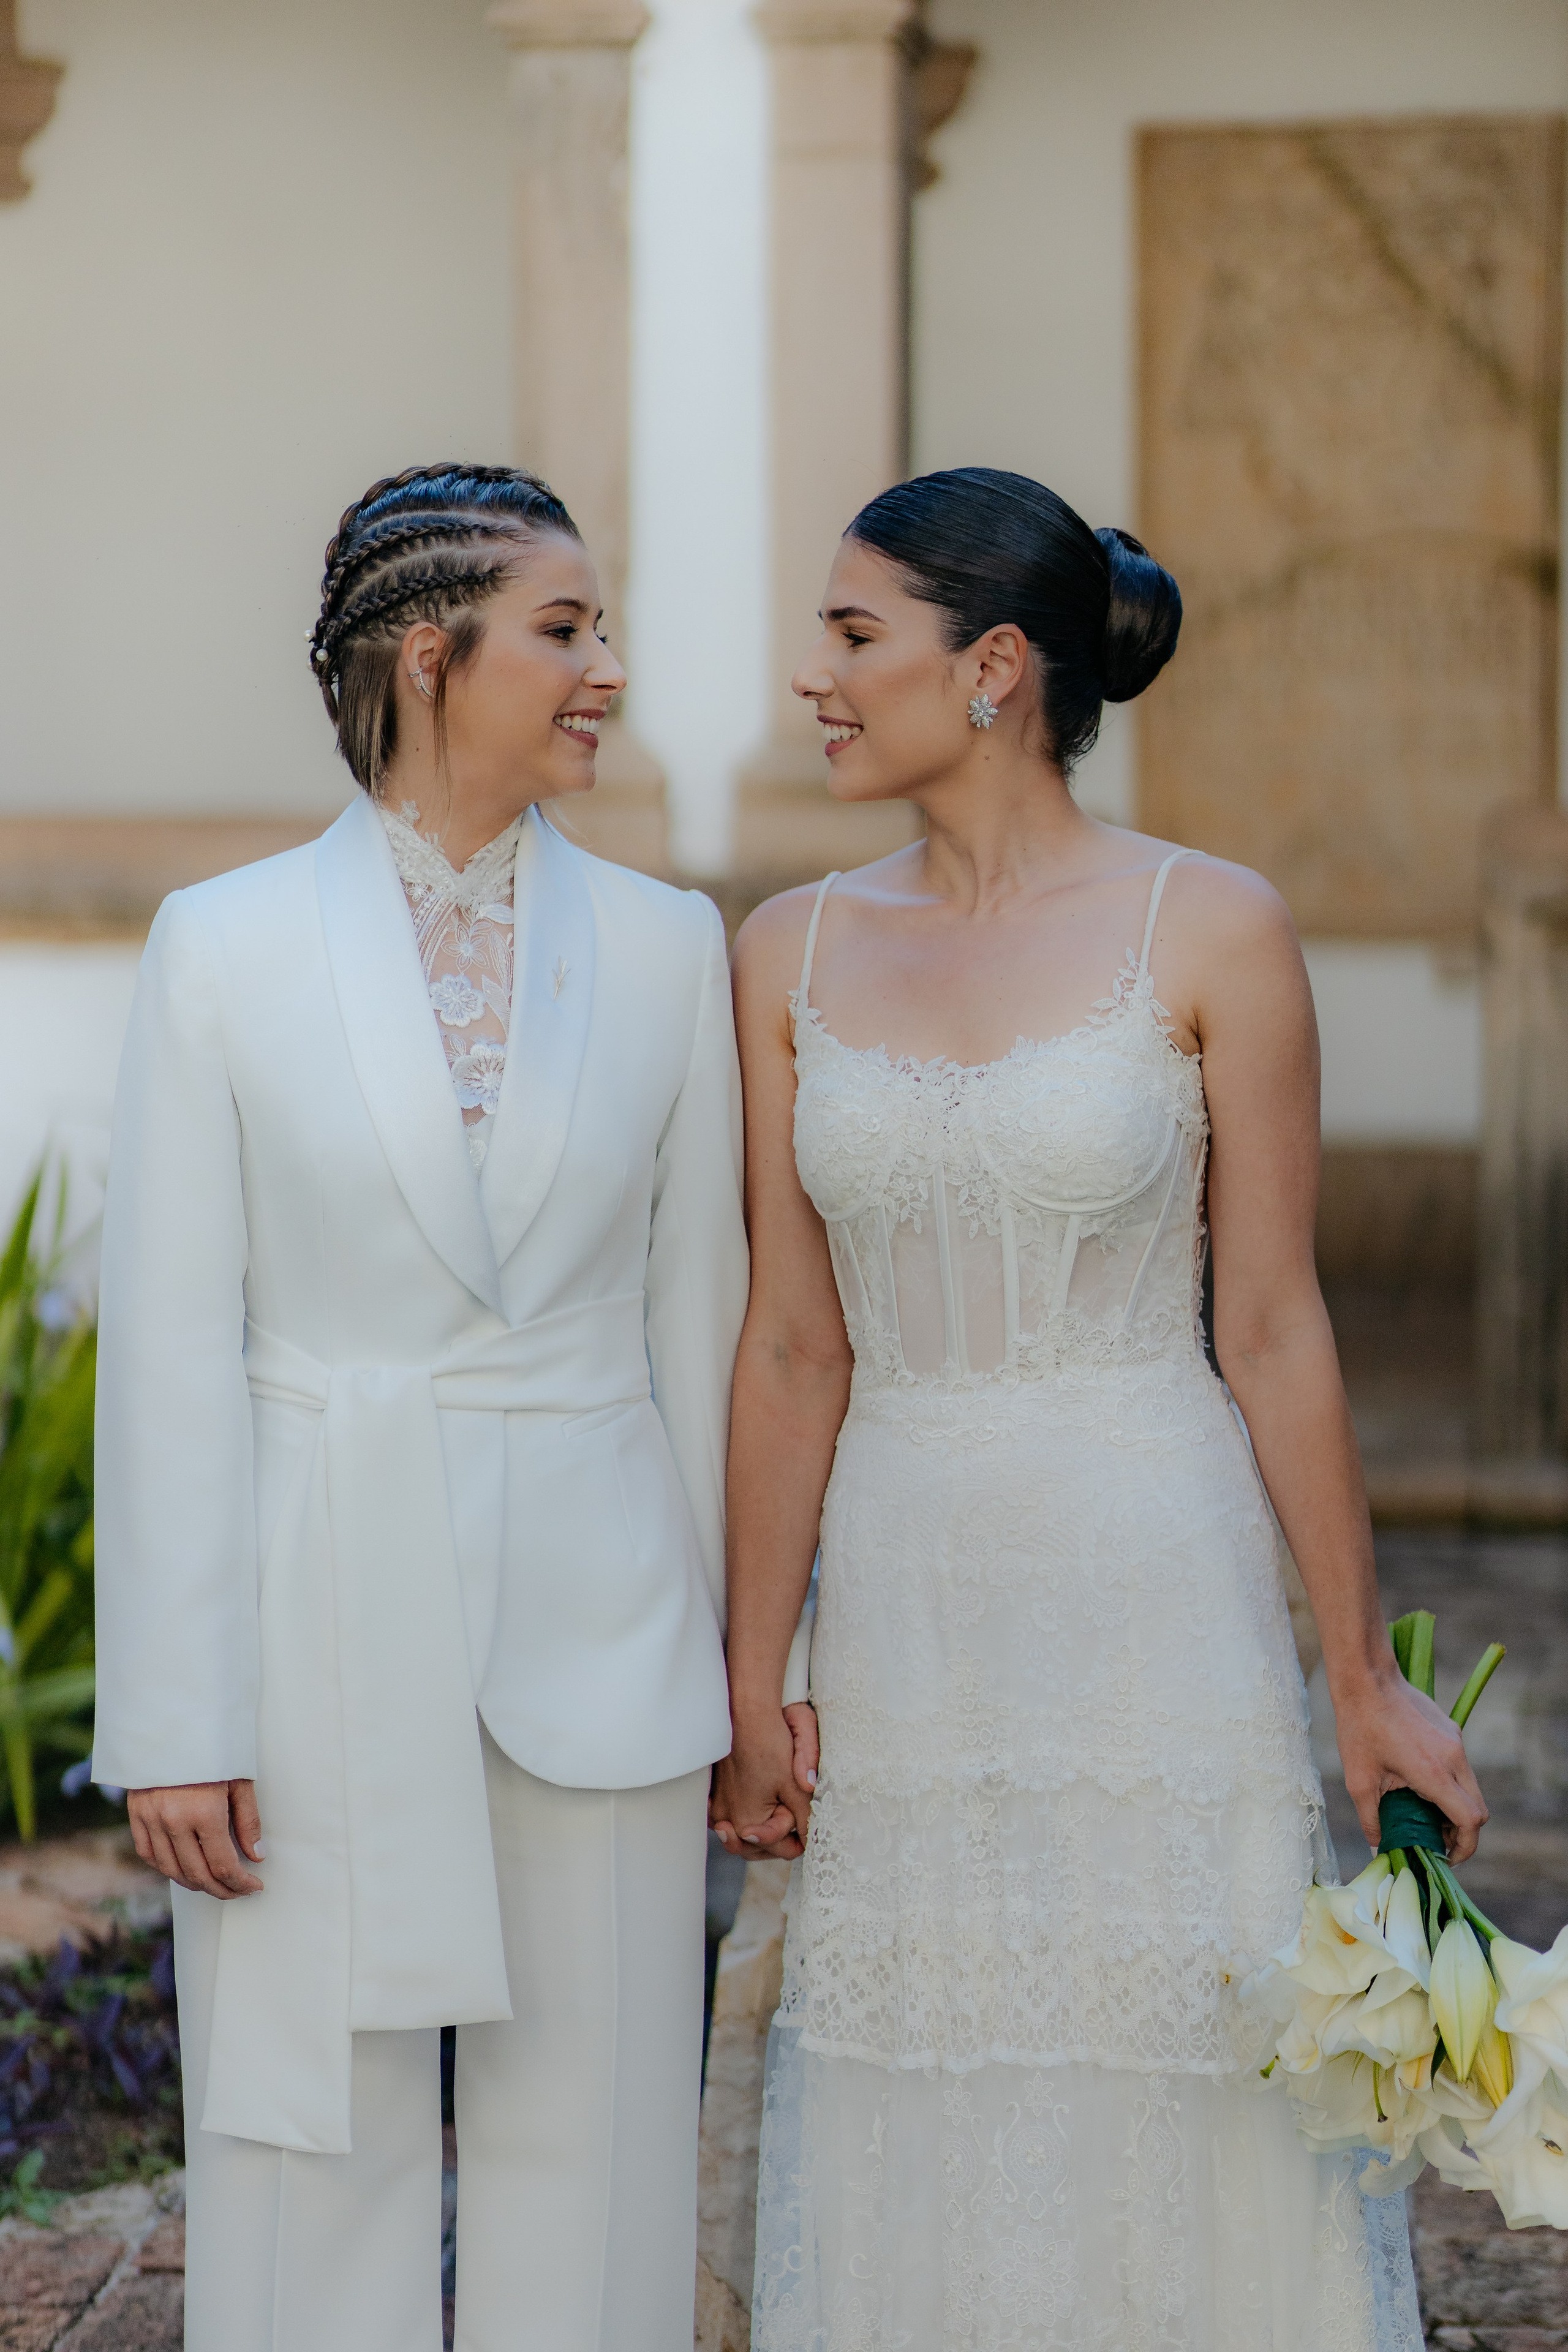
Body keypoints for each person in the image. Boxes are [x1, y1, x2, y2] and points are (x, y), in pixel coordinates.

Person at [711, 467, 1487, 2351]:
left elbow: (1277, 1327)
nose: (811, 675)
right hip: (905, 1595)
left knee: (1181, 2072)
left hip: (1153, 1586)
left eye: (851, 633)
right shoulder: (782, 956)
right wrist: (752, 1679)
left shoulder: (1214, 930)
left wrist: (1357, 1681)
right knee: (919, 2072)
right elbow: (795, 1343)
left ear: (991, 668)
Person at [92, 462, 796, 2352]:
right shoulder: (220, 948)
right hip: (311, 1611)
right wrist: (174, 1714)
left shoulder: (667, 949)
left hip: (607, 1629)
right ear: (432, 656)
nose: (609, 672)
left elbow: (698, 1326)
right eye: (568, 631)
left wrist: (744, 1677)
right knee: (308, 2141)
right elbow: (167, 1349)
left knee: (605, 2145)